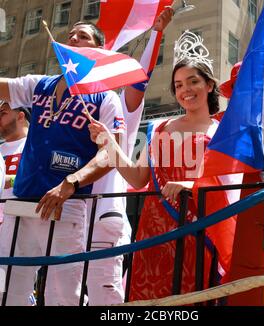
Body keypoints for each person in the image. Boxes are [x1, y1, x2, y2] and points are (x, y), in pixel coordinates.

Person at [89, 30, 235, 300]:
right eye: (178, 85)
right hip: (153, 232)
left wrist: (191, 185)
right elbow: (137, 178)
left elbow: (230, 188)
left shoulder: (222, 132)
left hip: (197, 229)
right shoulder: (159, 129)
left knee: (190, 297)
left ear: (210, 85)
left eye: (193, 82)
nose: (185, 90)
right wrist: (108, 142)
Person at [0, 22, 125, 306]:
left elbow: (111, 153)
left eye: (83, 36)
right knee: (7, 291)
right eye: (70, 35)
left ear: (99, 50)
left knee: (62, 296)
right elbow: (4, 87)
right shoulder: (39, 84)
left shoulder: (106, 97)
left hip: (66, 205)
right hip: (21, 202)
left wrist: (70, 183)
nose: (73, 39)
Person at [86, 7, 174, 305]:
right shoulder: (61, 106)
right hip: (66, 216)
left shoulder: (119, 107)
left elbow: (140, 80)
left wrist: (157, 32)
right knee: (60, 294)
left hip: (103, 220)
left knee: (105, 299)